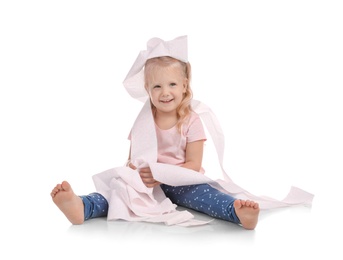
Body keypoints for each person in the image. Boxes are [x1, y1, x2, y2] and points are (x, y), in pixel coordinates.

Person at [51, 40, 260, 230]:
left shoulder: (192, 121)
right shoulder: (143, 121)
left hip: (182, 181)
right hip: (147, 182)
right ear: (147, 89)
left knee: (207, 197)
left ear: (184, 86)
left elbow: (194, 165)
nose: (165, 92)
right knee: (118, 193)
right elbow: (133, 158)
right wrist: (134, 171)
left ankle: (237, 212)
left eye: (172, 84)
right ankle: (83, 206)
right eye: (157, 86)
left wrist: (162, 174)